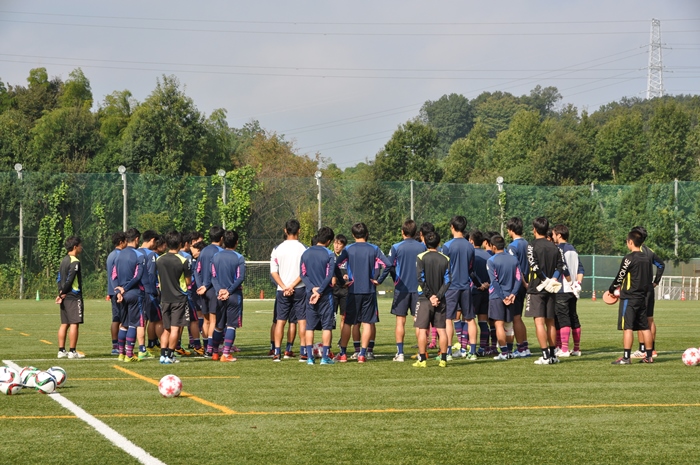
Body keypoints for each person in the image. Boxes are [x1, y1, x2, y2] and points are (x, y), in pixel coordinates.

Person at [335, 222, 392, 363]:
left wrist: (342, 282)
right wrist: (379, 280)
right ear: (366, 234)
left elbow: (335, 264)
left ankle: (343, 354)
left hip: (353, 290)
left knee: (348, 322)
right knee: (367, 323)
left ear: (353, 235)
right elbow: (388, 264)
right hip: (369, 290)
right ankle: (362, 354)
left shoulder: (348, 249)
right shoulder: (374, 249)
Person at [377, 219, 426, 362]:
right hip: (419, 289)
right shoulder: (422, 247)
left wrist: (385, 280)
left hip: (401, 288)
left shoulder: (396, 247)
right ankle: (421, 353)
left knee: (400, 321)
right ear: (415, 232)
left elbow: (388, 265)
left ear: (402, 232)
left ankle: (400, 353)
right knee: (419, 322)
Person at [525, 217, 567, 365]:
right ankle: (553, 355)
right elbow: (561, 266)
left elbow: (534, 265)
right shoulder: (555, 247)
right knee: (551, 322)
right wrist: (553, 279)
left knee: (539, 322)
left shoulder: (531, 245)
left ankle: (545, 355)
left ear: (535, 229)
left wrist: (545, 280)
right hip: (551, 289)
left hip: (537, 288)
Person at [609, 229, 654, 365]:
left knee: (627, 327)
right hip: (642, 297)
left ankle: (626, 357)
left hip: (629, 298)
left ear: (630, 242)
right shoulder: (647, 258)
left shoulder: (629, 258)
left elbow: (620, 276)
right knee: (645, 327)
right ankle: (649, 356)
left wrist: (611, 289)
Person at [270, 219, 307, 362]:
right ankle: (303, 352)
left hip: (282, 290)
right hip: (299, 289)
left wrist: (285, 286)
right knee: (302, 321)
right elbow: (305, 272)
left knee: (280, 321)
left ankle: (277, 352)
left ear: (285, 230)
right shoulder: (304, 249)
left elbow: (274, 272)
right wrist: (292, 286)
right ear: (299, 231)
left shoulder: (277, 249)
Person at [413, 231, 451, 368]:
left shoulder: (421, 257)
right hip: (440, 300)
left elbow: (420, 279)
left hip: (424, 299)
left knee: (422, 330)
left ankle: (422, 359)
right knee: (442, 329)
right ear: (439, 243)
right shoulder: (445, 259)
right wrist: (438, 296)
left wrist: (430, 296)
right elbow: (448, 281)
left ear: (424, 242)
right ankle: (443, 359)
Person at [300, 227, 337, 365]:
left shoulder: (305, 253)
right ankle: (324, 358)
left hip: (310, 294)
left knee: (309, 327)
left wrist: (312, 289)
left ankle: (310, 358)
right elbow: (329, 276)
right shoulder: (329, 254)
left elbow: (302, 274)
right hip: (325, 295)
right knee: (327, 326)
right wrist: (320, 291)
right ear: (329, 241)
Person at [441, 216, 476, 360]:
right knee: (470, 319)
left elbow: (443, 268)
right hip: (466, 285)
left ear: (452, 227)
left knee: (448, 318)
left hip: (451, 286)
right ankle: (472, 352)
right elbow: (471, 267)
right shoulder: (470, 246)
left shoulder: (447, 246)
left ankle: (448, 352)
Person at [155, 231, 192, 365]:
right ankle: (170, 355)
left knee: (167, 328)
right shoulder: (183, 260)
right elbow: (188, 282)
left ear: (166, 243)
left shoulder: (159, 259)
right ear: (180, 244)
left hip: (165, 298)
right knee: (175, 328)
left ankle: (163, 355)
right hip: (179, 299)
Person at [630, 226, 665, 359]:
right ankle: (652, 349)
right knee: (649, 319)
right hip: (649, 289)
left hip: (640, 290)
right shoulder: (650, 251)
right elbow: (661, 265)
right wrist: (656, 281)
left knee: (641, 319)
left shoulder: (637, 252)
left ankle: (642, 349)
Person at [211, 230, 246, 363]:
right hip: (234, 295)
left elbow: (213, 276)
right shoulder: (239, 257)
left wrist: (220, 290)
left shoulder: (216, 256)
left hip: (219, 296)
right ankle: (225, 354)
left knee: (219, 326)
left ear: (223, 241)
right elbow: (240, 277)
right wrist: (229, 291)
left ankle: (215, 353)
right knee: (231, 325)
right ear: (236, 242)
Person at [487, 234, 522, 360]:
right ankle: (510, 351)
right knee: (508, 325)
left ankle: (504, 352)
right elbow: (519, 278)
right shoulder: (514, 259)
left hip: (497, 296)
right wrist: (513, 294)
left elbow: (494, 281)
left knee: (499, 325)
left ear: (493, 246)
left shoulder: (491, 260)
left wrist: (502, 297)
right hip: (511, 296)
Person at [113, 228, 147, 362]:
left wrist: (118, 291)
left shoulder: (118, 255)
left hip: (121, 295)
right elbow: (137, 276)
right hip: (134, 293)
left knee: (123, 324)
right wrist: (125, 288)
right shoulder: (139, 255)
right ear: (137, 239)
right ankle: (129, 354)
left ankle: (121, 354)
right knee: (134, 324)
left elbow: (113, 276)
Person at [552, 224, 584, 357]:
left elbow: (563, 268)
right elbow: (581, 269)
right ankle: (576, 349)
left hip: (562, 288)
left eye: (553, 234)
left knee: (562, 318)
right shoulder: (573, 249)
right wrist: (577, 283)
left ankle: (563, 348)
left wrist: (570, 282)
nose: (552, 237)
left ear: (559, 235)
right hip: (573, 290)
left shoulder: (558, 249)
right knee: (573, 317)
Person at [196, 226, 225, 359]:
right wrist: (207, 285)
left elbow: (197, 270)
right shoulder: (220, 252)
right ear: (221, 238)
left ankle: (206, 347)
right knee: (214, 320)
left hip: (203, 290)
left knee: (206, 320)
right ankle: (211, 349)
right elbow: (214, 272)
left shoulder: (203, 251)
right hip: (213, 289)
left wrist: (200, 286)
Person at [56, 236, 85, 359]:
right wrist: (63, 292)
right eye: (80, 245)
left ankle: (61, 350)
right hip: (73, 296)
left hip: (65, 296)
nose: (81, 247)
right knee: (74, 323)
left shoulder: (64, 260)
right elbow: (70, 279)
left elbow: (59, 278)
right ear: (75, 247)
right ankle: (72, 351)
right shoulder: (75, 262)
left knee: (64, 323)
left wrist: (60, 292)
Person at [506, 217, 531, 357]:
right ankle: (524, 346)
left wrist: (523, 283)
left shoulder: (512, 246)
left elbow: (517, 268)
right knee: (518, 317)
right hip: (526, 282)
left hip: (518, 284)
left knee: (516, 317)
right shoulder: (527, 244)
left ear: (511, 230)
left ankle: (521, 348)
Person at [469, 230, 493, 357]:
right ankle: (483, 348)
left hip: (474, 291)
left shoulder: (471, 254)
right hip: (487, 291)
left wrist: (479, 284)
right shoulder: (488, 255)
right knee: (483, 321)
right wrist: (487, 283)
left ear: (471, 241)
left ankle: (467, 347)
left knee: (470, 321)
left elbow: (470, 272)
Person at [139, 230, 161, 357]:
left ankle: (143, 347)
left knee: (142, 320)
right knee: (157, 319)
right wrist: (154, 290)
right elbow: (152, 274)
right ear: (152, 240)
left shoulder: (135, 252)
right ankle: (164, 347)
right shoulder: (151, 254)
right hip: (149, 291)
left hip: (137, 291)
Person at [106, 231, 126, 355]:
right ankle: (121, 345)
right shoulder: (120, 255)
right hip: (119, 291)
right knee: (122, 319)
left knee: (116, 318)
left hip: (112, 290)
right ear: (121, 242)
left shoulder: (111, 255)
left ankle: (115, 345)